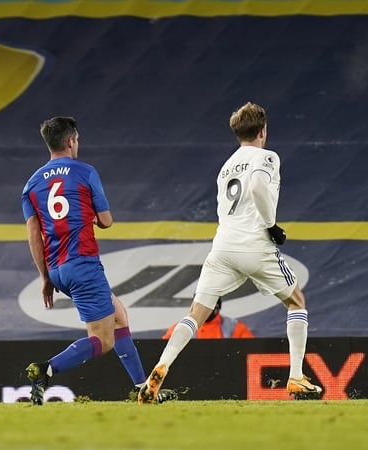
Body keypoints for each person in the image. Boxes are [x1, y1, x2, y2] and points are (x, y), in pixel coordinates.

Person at [138, 102, 322, 403]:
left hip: (222, 246)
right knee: (296, 302)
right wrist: (272, 225)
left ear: (238, 133)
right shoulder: (266, 156)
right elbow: (259, 189)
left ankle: (160, 369)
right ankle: (296, 377)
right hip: (254, 243)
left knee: (196, 314)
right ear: (263, 130)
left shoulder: (226, 166)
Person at [21, 116, 175, 405]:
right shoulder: (85, 172)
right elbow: (106, 220)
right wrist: (91, 215)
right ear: (70, 141)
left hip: (56, 269)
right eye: (77, 140)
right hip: (83, 264)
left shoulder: (30, 185)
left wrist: (44, 277)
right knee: (104, 340)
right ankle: (45, 370)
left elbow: (34, 236)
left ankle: (143, 389)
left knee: (118, 316)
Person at [163, 298, 255, 339]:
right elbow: (161, 354)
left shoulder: (235, 327)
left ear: (217, 306)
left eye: (209, 304)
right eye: (201, 304)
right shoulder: (179, 328)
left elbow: (251, 352)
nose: (204, 309)